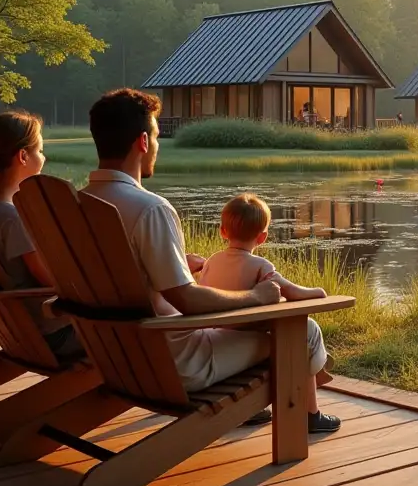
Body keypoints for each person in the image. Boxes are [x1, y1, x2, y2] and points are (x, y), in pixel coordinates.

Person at [82, 88, 340, 433]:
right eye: (157, 137)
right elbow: (187, 300)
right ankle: (303, 422)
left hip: (115, 357)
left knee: (264, 331)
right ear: (143, 142)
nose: (157, 146)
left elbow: (115, 277)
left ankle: (247, 409)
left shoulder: (80, 204)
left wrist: (172, 268)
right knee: (302, 331)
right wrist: (255, 297)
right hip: (175, 362)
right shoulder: (149, 208)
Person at [0, 111, 82, 359]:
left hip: (16, 328)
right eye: (40, 150)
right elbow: (48, 279)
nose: (43, 157)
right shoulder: (13, 218)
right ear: (22, 156)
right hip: (53, 332)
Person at [200, 194, 327, 303]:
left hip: (214, 328)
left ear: (223, 232)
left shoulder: (211, 262)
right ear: (262, 238)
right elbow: (292, 292)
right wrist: (319, 291)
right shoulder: (261, 266)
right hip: (250, 330)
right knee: (311, 327)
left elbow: (203, 294)